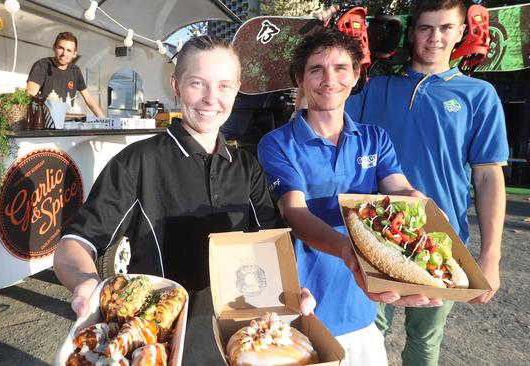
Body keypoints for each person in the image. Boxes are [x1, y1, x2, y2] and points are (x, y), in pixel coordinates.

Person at [53, 35, 316, 365]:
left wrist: (293, 289)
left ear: (237, 90)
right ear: (176, 85)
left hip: (237, 342)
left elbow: (274, 247)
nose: (211, 98)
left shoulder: (247, 168)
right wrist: (86, 283)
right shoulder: (138, 162)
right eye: (197, 84)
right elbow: (74, 245)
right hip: (159, 343)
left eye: (223, 86)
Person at [313, 1, 508, 365]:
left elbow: (487, 177)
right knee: (365, 334)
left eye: (446, 28)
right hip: (374, 238)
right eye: (425, 28)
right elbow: (320, 111)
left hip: (441, 244)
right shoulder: (373, 89)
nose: (435, 38)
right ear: (412, 31)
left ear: (462, 32)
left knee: (424, 343)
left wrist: (490, 256)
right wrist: (328, 42)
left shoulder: (478, 95)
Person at [257, 28, 442, 366]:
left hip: (361, 309)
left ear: (357, 75)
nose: (330, 79)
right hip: (301, 310)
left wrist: (418, 203)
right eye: (316, 69)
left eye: (341, 68)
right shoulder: (277, 143)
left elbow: (397, 187)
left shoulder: (376, 138)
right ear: (299, 78)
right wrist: (346, 250)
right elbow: (295, 213)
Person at [26, 31, 105, 117]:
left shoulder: (75, 70)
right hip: (45, 121)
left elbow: (89, 99)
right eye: (61, 48)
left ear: (74, 54)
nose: (64, 53)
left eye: (69, 50)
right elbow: (30, 94)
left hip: (67, 122)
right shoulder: (42, 65)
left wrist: (105, 120)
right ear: (54, 47)